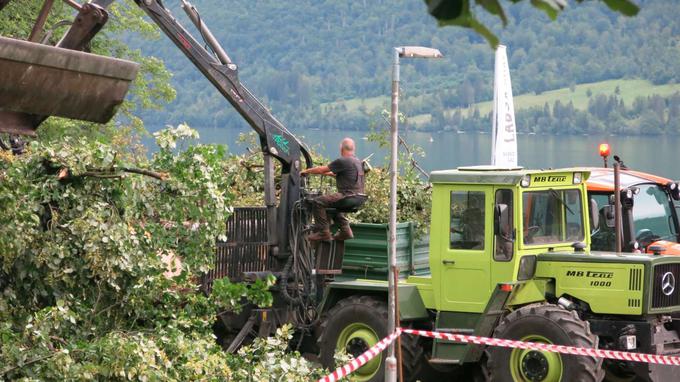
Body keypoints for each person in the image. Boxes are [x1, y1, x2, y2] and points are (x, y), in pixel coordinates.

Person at [301, 137, 365, 241]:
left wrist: (306, 171)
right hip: (359, 197)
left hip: (348, 195)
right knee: (333, 205)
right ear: (354, 149)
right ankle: (346, 231)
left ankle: (323, 233)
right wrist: (327, 174)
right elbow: (341, 175)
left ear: (341, 148)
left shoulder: (343, 160)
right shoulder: (357, 162)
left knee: (318, 201)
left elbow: (322, 169)